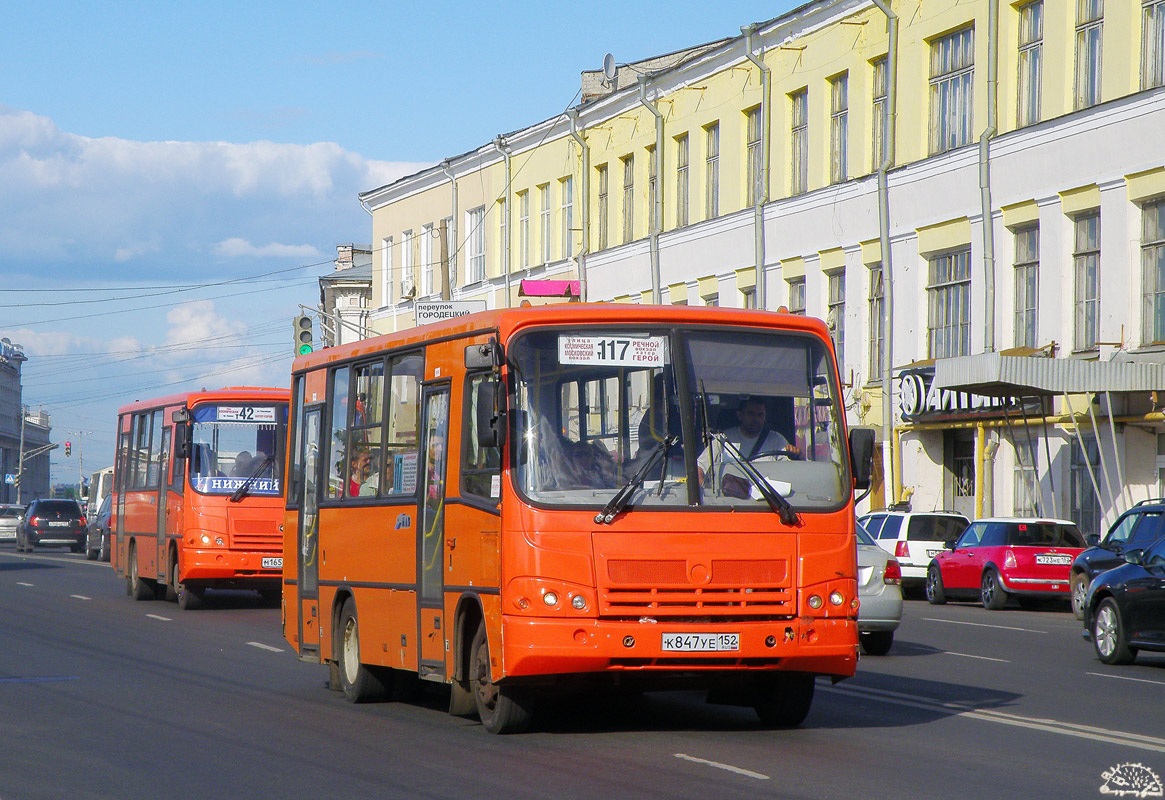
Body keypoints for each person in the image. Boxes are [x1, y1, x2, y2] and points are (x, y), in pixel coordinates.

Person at [698, 396, 797, 498]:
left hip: (768, 502)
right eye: (751, 414)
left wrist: (797, 456)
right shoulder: (723, 439)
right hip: (730, 502)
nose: (756, 419)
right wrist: (706, 497)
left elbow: (791, 472)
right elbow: (699, 468)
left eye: (760, 415)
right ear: (740, 415)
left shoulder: (776, 440)